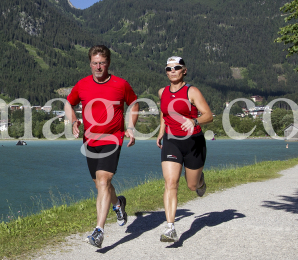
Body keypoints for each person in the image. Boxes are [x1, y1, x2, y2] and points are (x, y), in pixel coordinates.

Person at [65, 45, 138, 248]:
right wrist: (74, 121)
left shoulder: (120, 84)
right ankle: (118, 204)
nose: (98, 67)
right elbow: (69, 103)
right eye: (95, 63)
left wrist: (130, 127)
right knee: (100, 185)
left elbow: (134, 104)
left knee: (104, 182)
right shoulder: (82, 85)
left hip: (113, 139)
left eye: (102, 63)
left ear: (108, 64)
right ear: (90, 63)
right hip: (90, 141)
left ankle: (99, 231)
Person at [156, 56, 214, 243]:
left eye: (177, 67)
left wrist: (194, 120)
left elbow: (208, 115)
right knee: (171, 182)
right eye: (169, 68)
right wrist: (161, 132)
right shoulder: (162, 92)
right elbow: (165, 114)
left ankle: (199, 181)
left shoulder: (192, 91)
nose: (172, 71)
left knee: (191, 186)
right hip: (171, 141)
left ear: (184, 70)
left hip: (193, 142)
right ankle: (170, 227)